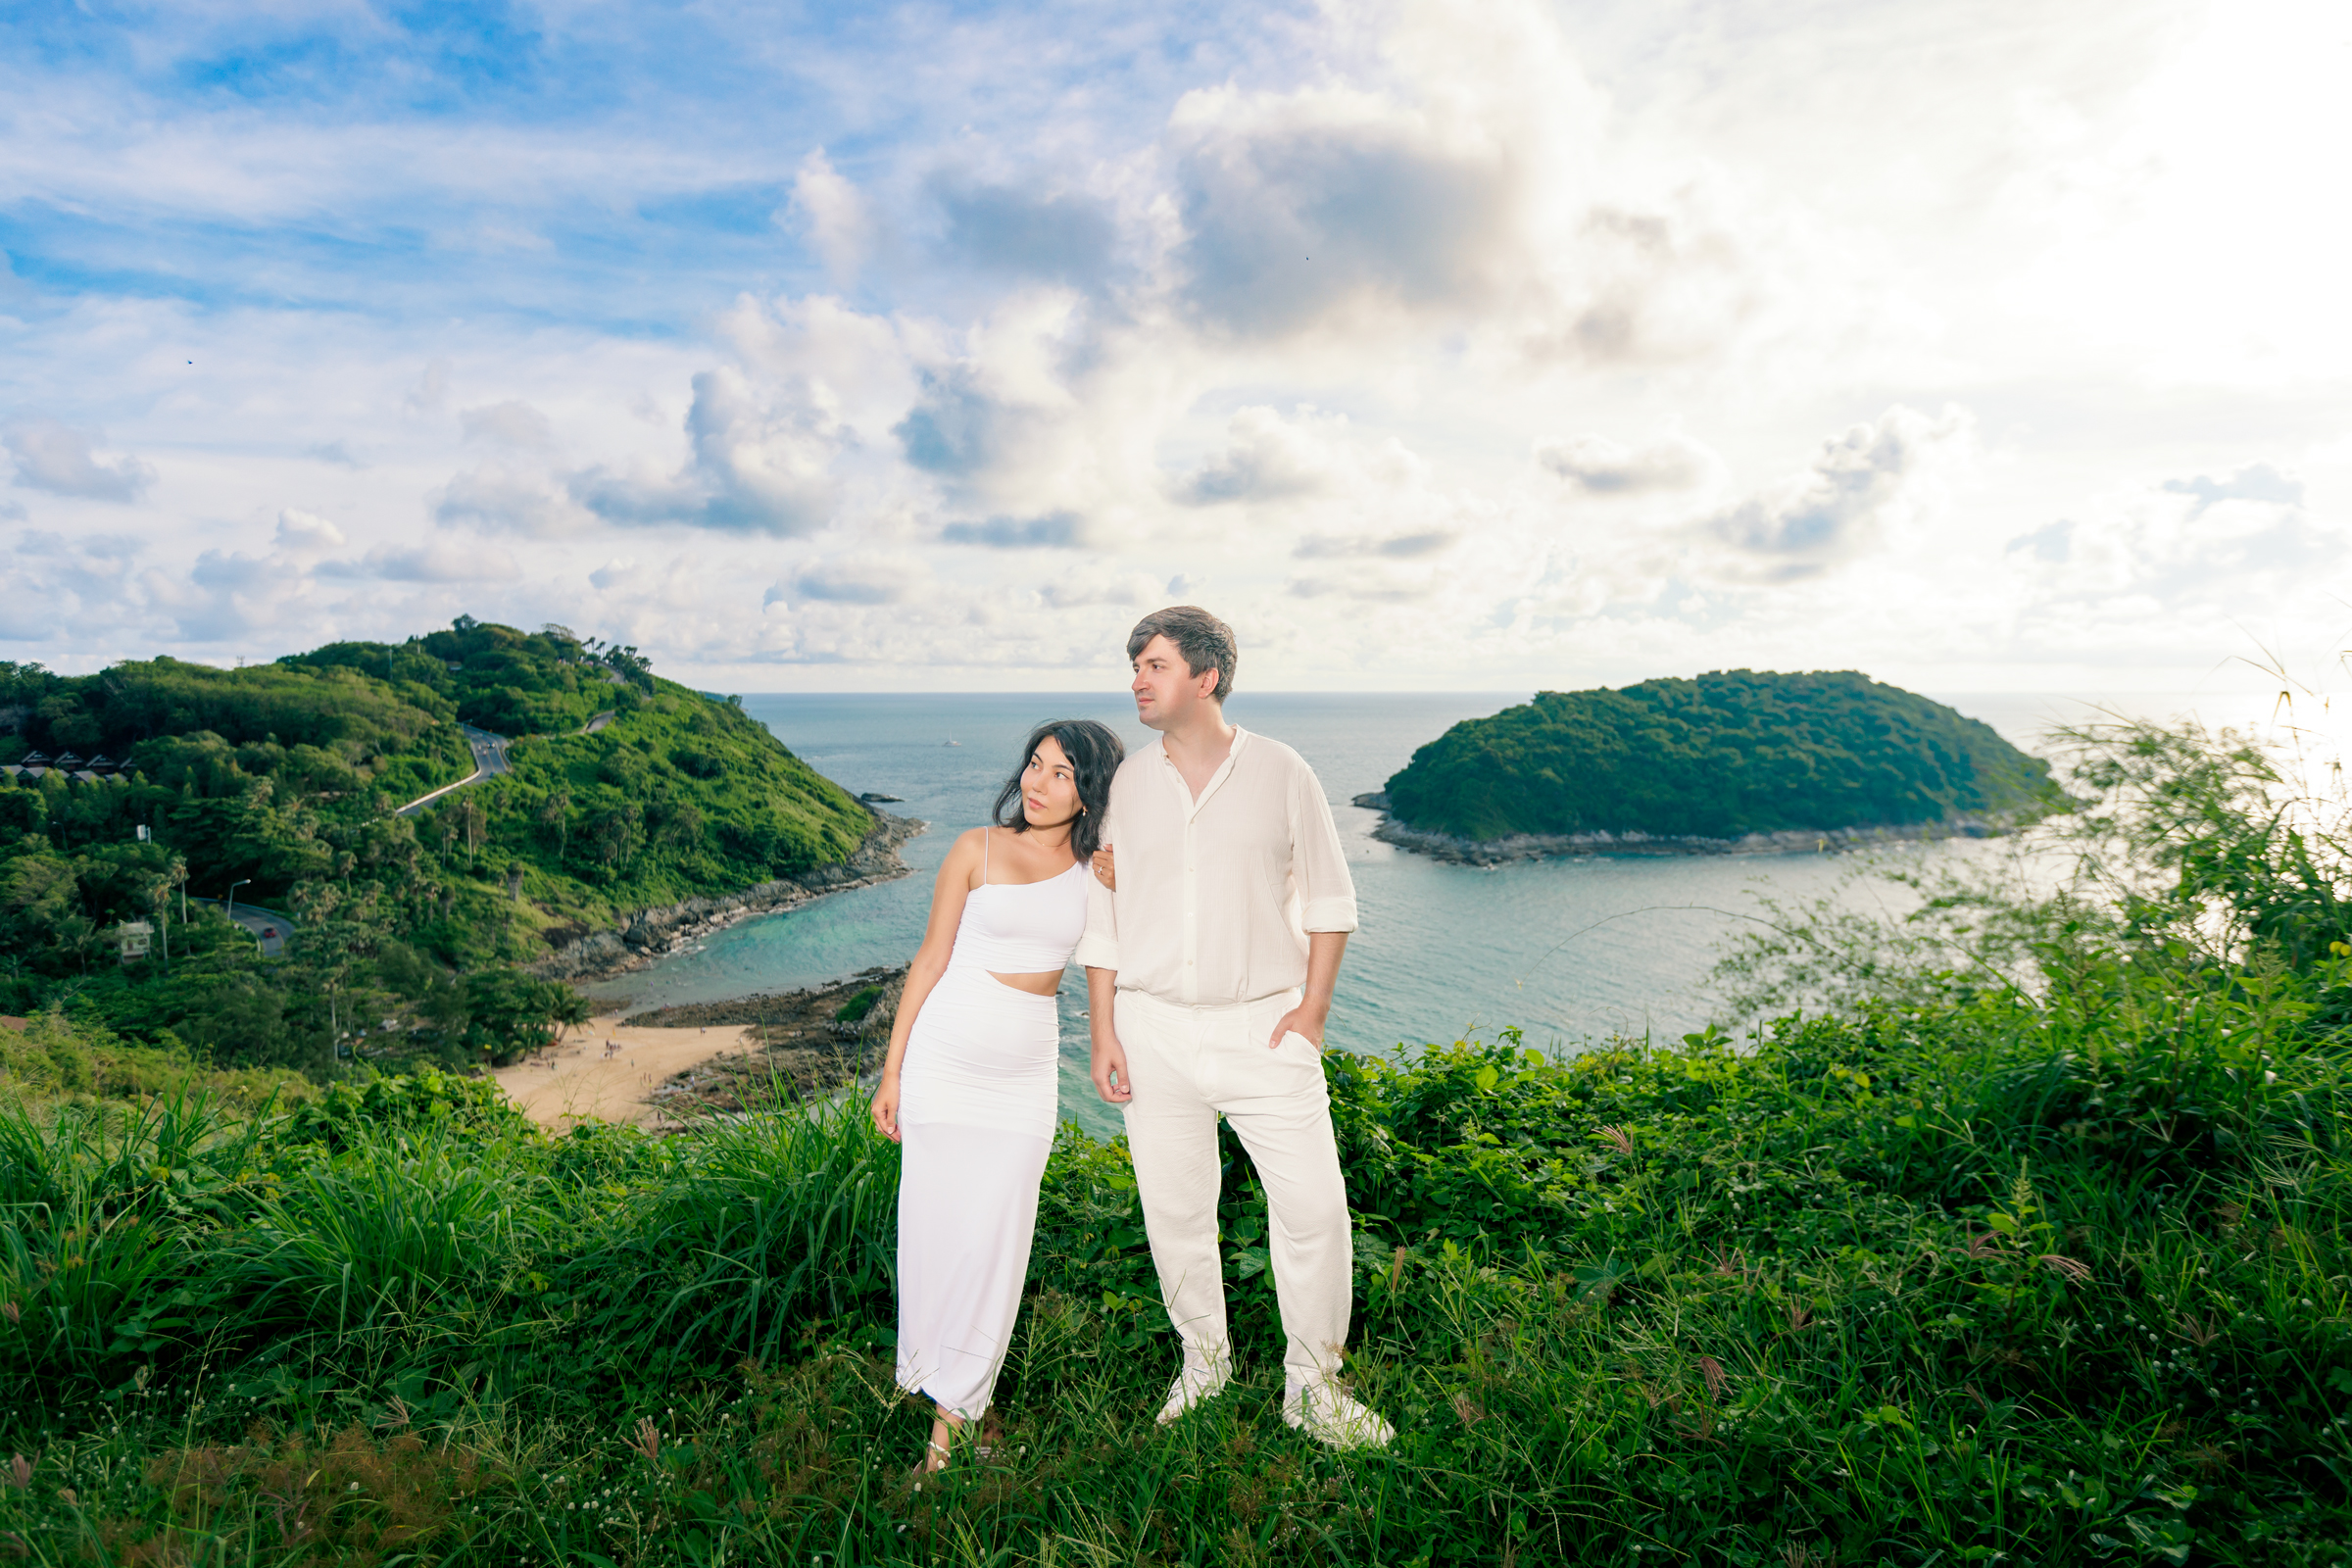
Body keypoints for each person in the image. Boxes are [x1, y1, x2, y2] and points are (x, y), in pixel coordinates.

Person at [1078, 606, 1395, 1448]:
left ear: (1206, 676)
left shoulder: (1284, 771)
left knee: (1316, 1210)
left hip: (1264, 1031)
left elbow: (1332, 902)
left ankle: (1315, 1387)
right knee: (1175, 1211)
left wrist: (1311, 1017)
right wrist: (1103, 1032)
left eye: (1152, 665)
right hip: (1151, 1032)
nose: (1137, 679)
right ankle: (1204, 1363)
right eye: (1135, 666)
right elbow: (1105, 917)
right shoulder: (1129, 784)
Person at [871, 718, 1123, 1470]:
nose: (1038, 786)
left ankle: (959, 1410)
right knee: (936, 1233)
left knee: (996, 1244)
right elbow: (928, 960)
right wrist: (893, 1072)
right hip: (945, 1062)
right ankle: (944, 1411)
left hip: (1022, 1076)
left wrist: (1129, 887)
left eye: (1062, 775)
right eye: (1034, 767)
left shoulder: (1102, 871)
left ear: (1090, 793)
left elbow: (1110, 963)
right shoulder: (974, 848)